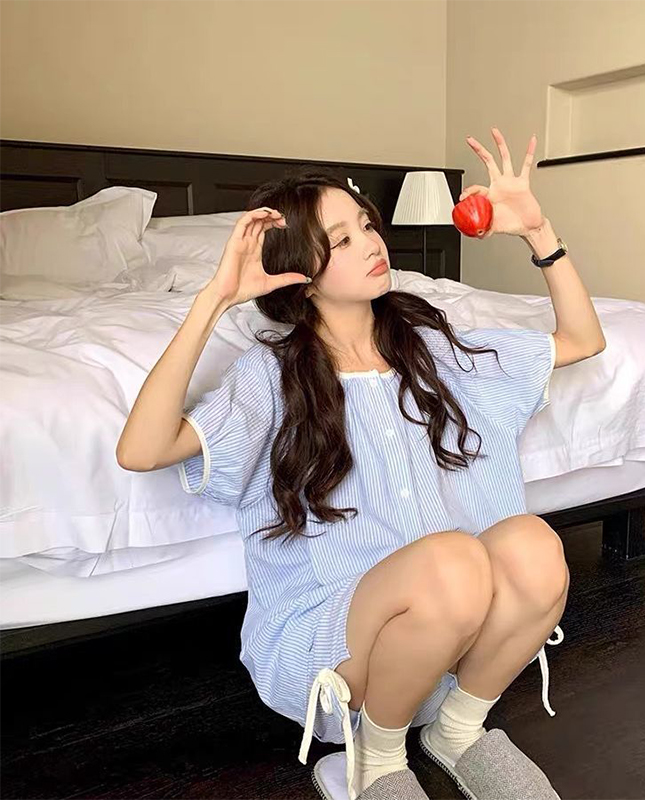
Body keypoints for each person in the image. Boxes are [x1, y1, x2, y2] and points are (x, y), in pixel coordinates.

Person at [117, 128, 606, 800]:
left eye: (367, 225)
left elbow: (582, 339)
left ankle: (458, 731)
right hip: (338, 650)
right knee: (453, 561)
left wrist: (537, 230)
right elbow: (141, 451)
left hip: (453, 642)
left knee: (535, 546)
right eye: (341, 240)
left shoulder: (429, 348)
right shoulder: (271, 375)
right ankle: (374, 761)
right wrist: (214, 299)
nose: (373, 243)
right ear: (299, 272)